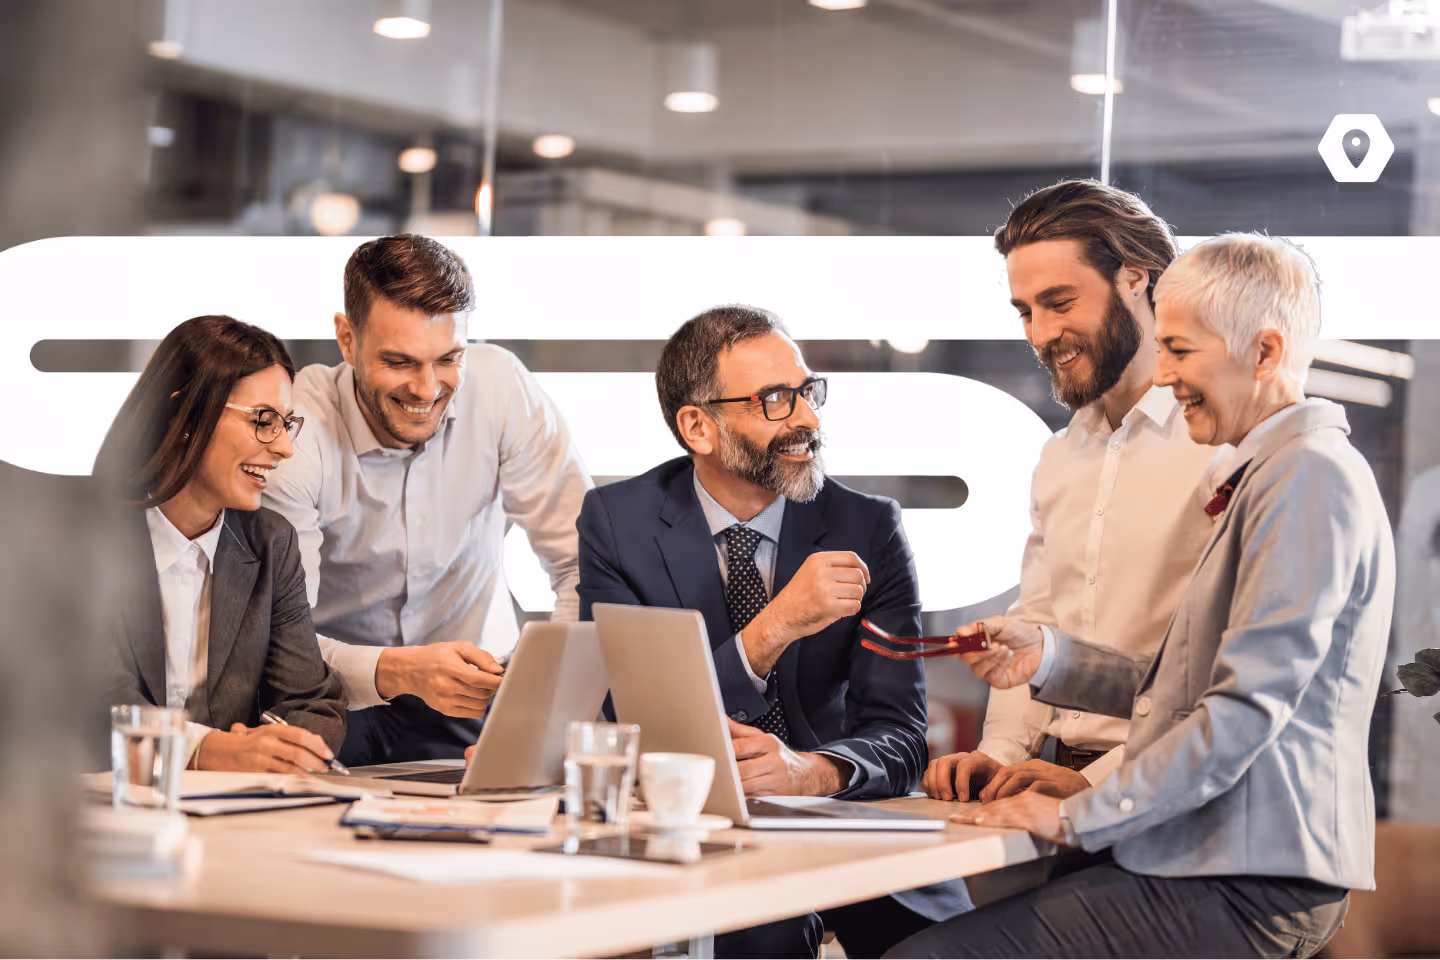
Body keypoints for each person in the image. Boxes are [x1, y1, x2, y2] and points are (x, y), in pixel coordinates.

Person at [890, 234, 1393, 959]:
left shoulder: (1308, 477)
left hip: (1244, 875)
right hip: (1211, 858)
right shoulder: (1271, 473)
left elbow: (1245, 710)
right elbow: (1183, 684)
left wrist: (1076, 816)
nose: (1164, 374)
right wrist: (1051, 659)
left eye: (1181, 351)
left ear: (1265, 353)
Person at [577, 305, 971, 959]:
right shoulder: (619, 522)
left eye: (807, 392)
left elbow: (903, 738)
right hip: (695, 825)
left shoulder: (867, 526)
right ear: (698, 426)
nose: (808, 419)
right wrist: (775, 626)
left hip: (847, 829)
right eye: (775, 401)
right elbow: (628, 718)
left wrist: (811, 772)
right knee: (757, 930)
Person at [923, 179, 1223, 806]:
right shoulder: (1059, 457)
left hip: (1166, 792)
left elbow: (1226, 675)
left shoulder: (1220, 446)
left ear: (1136, 277)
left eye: (1060, 302)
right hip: (1046, 783)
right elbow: (1034, 628)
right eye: (1026, 310)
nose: (1039, 334)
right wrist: (996, 755)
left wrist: (1093, 780)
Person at [264, 234, 592, 766]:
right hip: (331, 700)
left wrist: (541, 703)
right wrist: (397, 671)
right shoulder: (296, 432)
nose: (426, 388)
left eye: (448, 359)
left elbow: (582, 564)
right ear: (347, 341)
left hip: (479, 703)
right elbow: (279, 636)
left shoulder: (502, 388)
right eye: (399, 362)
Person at [96, 315, 345, 772]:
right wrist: (209, 750)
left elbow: (310, 700)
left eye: (287, 423)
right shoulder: (81, 537)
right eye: (263, 421)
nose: (285, 448)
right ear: (184, 414)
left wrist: (284, 747)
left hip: (230, 814)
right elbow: (86, 704)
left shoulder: (272, 543)